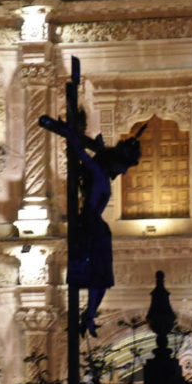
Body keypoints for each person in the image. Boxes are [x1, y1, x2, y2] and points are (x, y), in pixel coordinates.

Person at [65, 111, 144, 337]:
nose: (125, 171)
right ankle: (88, 315)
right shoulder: (99, 175)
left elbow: (84, 156)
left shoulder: (100, 175)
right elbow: (83, 156)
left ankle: (89, 314)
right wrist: (74, 139)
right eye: (125, 166)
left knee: (100, 281)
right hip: (91, 227)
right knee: (98, 278)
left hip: (93, 227)